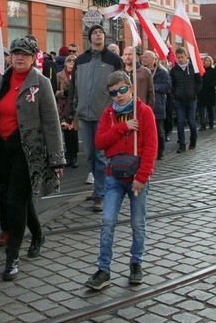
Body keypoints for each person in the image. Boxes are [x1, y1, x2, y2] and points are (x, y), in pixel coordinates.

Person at [0, 37, 65, 281]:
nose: (19, 57)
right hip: (0, 149)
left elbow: (51, 122)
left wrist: (57, 158)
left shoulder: (41, 83)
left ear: (33, 57)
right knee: (11, 199)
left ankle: (12, 256)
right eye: (16, 53)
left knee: (16, 202)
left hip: (27, 153)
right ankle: (37, 234)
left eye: (25, 54)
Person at [84, 71, 157, 290]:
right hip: (114, 176)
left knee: (137, 223)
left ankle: (136, 264)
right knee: (107, 222)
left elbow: (151, 147)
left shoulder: (144, 112)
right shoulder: (108, 114)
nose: (119, 95)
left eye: (123, 90)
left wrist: (142, 177)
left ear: (131, 88)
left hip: (136, 177)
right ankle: (103, 269)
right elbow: (99, 142)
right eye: (114, 92)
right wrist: (122, 127)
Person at [67, 25, 124, 212]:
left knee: (101, 156)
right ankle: (99, 187)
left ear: (104, 37)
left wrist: (119, 110)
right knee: (90, 154)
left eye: (101, 32)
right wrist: (71, 111)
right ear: (90, 37)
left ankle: (100, 194)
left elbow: (122, 86)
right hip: (83, 113)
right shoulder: (81, 60)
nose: (98, 34)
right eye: (94, 32)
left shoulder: (114, 60)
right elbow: (73, 87)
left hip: (104, 114)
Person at [169, 47, 202, 153]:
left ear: (186, 56)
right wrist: (175, 94)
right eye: (178, 57)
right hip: (179, 100)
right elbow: (172, 84)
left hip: (191, 99)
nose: (180, 59)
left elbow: (199, 81)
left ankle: (193, 140)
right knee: (180, 122)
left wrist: (194, 92)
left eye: (182, 57)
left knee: (192, 122)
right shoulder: (174, 70)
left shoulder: (193, 68)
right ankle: (182, 144)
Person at [142, 50, 171, 160]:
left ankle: (161, 151)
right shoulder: (140, 71)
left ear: (153, 59)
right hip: (144, 105)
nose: (143, 59)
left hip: (157, 105)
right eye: (143, 57)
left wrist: (153, 87)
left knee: (159, 131)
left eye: (146, 57)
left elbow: (167, 86)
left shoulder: (162, 72)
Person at [56, 54, 79, 168]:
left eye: (74, 60)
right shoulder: (59, 75)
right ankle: (68, 156)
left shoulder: (79, 75)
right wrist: (63, 93)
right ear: (65, 63)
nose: (71, 62)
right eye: (69, 60)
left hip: (75, 107)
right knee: (66, 132)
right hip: (64, 107)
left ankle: (74, 156)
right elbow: (54, 92)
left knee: (73, 132)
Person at [197, 56, 216, 130]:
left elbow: (214, 80)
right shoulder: (201, 70)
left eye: (209, 60)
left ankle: (211, 122)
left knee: (210, 108)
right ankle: (203, 124)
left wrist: (211, 86)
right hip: (201, 92)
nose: (207, 62)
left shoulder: (213, 71)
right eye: (206, 60)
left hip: (210, 91)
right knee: (201, 108)